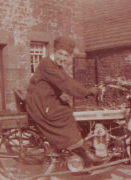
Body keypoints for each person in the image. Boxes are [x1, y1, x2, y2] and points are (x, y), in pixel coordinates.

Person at [26, 36, 103, 165]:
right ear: (55, 51)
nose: (63, 58)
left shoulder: (56, 65)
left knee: (68, 108)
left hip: (46, 100)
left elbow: (68, 80)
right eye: (60, 54)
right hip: (40, 103)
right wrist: (87, 92)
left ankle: (74, 149)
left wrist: (86, 89)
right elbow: (65, 83)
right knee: (64, 115)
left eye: (66, 56)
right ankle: (80, 151)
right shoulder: (47, 65)